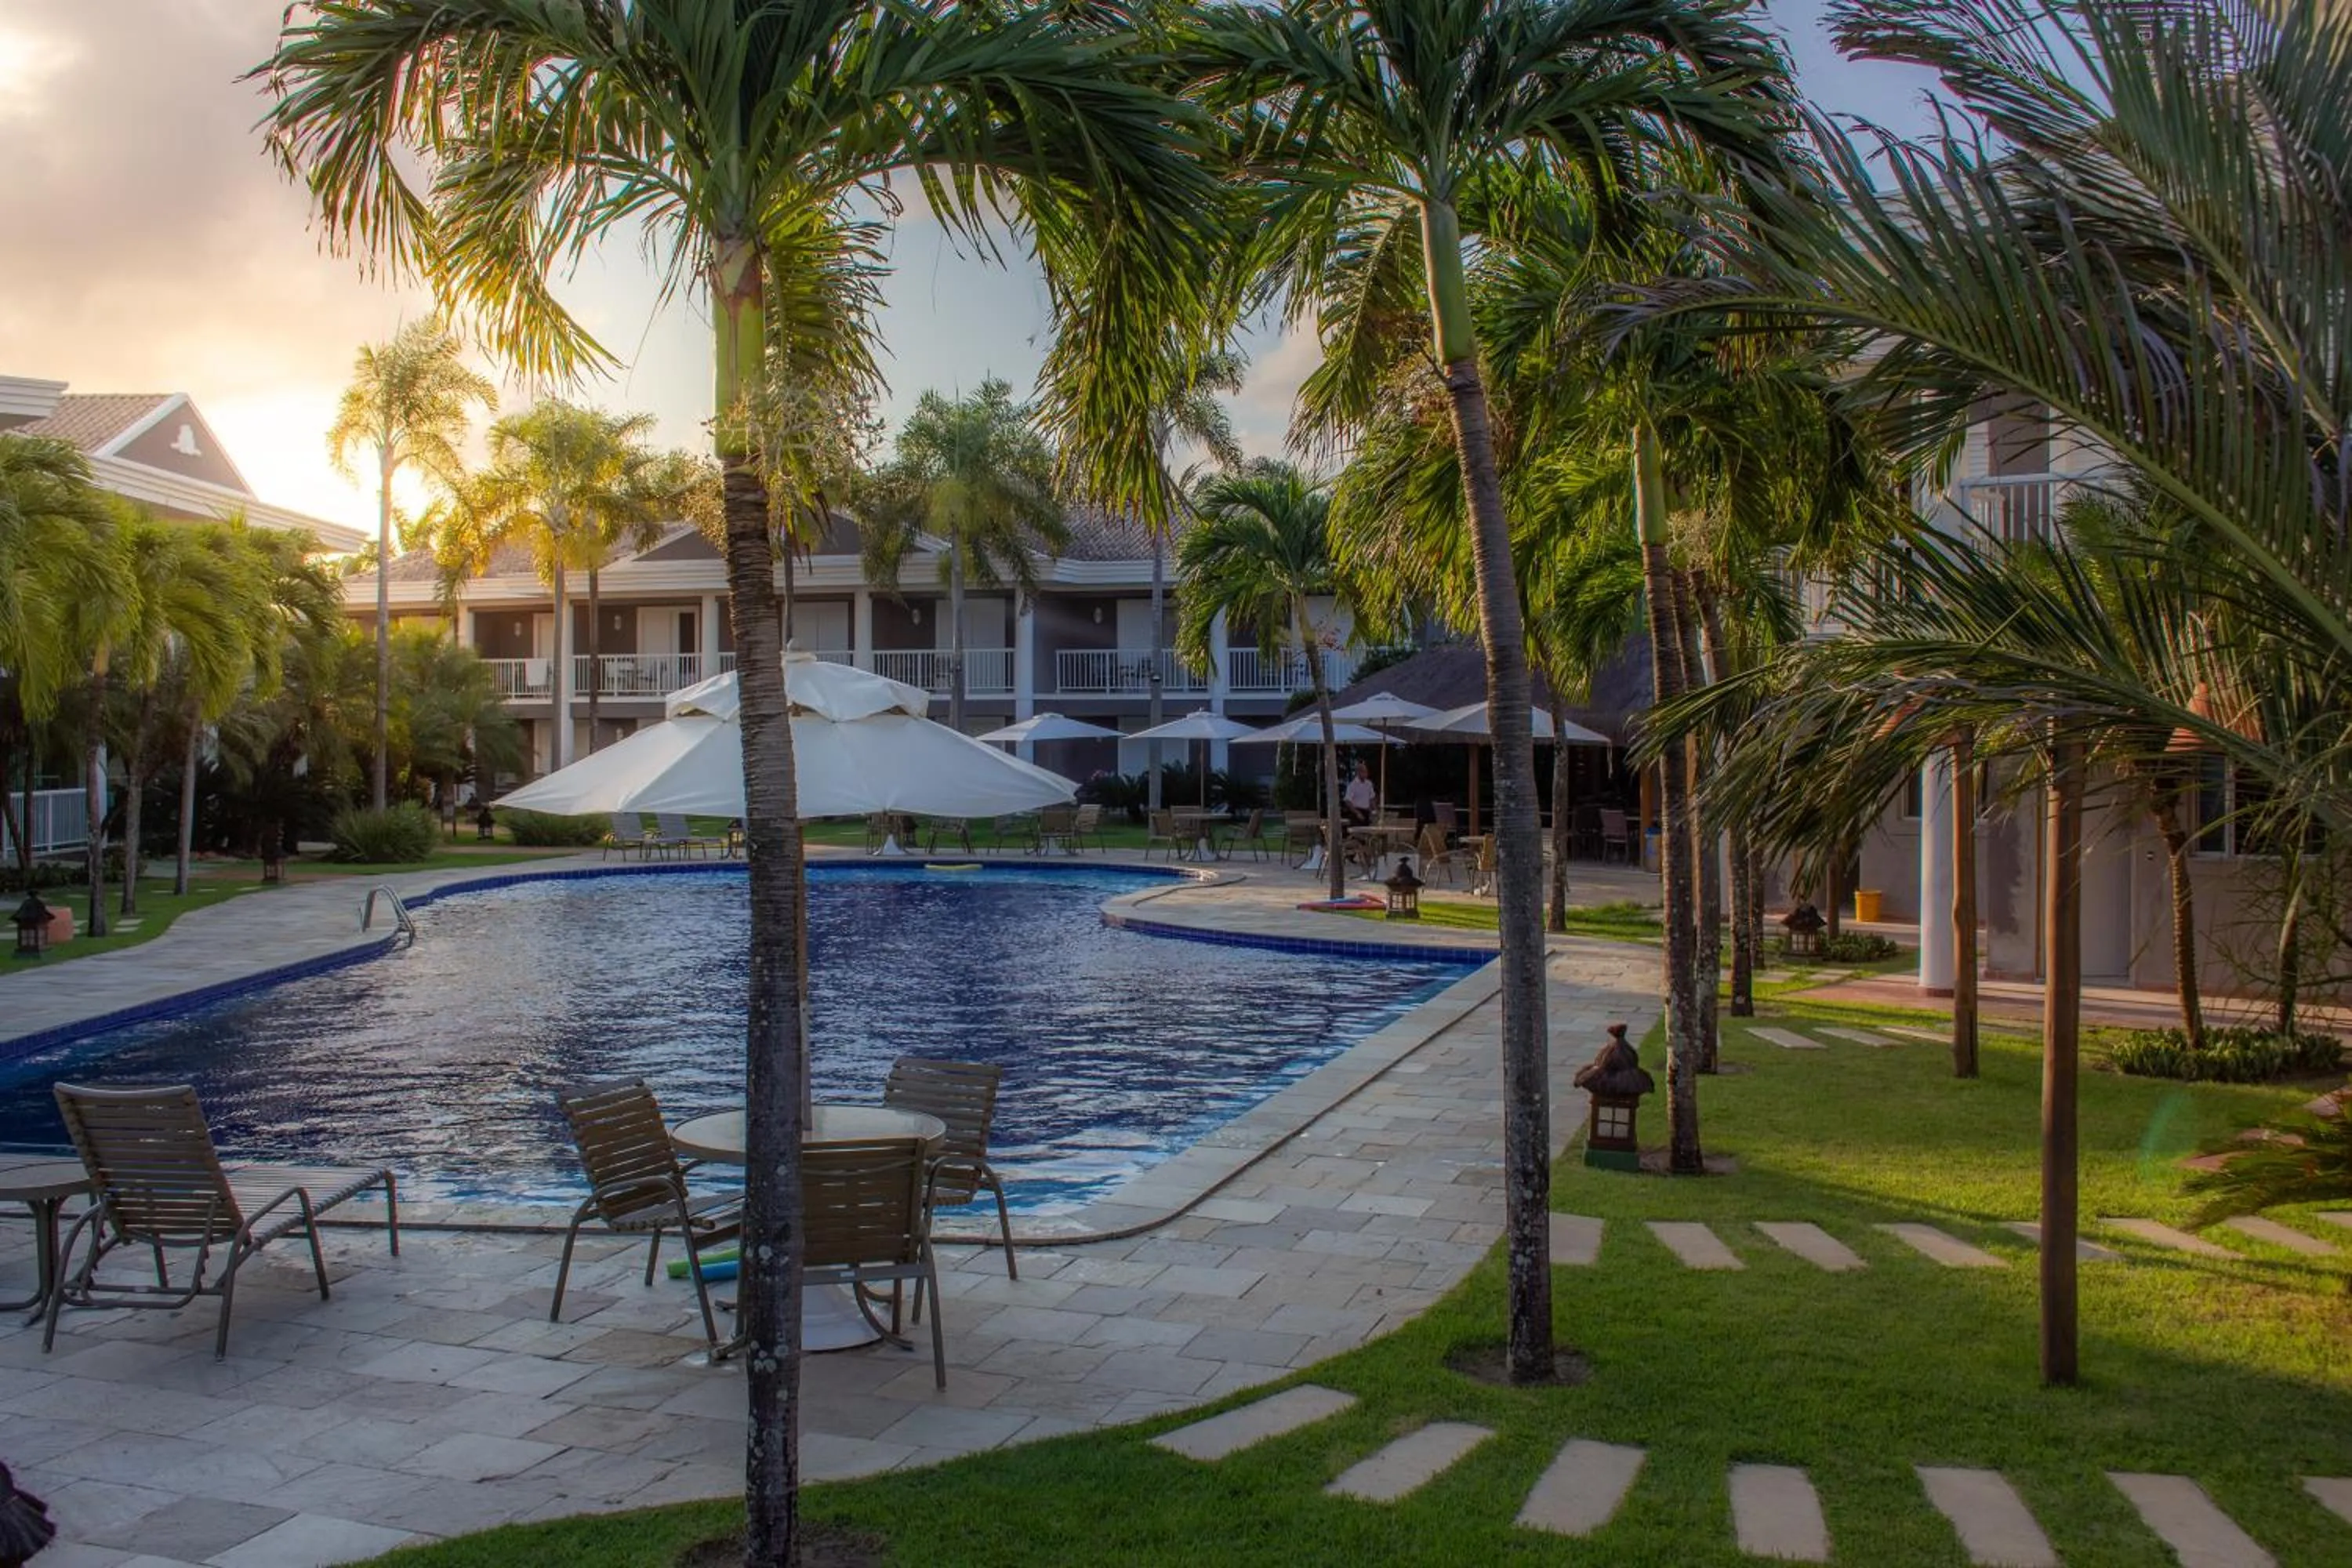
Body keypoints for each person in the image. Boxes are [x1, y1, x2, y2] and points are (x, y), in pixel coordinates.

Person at [1342, 760, 1377, 826]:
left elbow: (1372, 798)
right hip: (1356, 812)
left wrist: (1374, 810)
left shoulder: (1369, 784)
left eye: (1366, 772)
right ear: (1359, 773)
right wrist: (1357, 813)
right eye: (1364, 772)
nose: (1366, 774)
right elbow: (1348, 801)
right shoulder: (1352, 785)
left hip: (1366, 812)